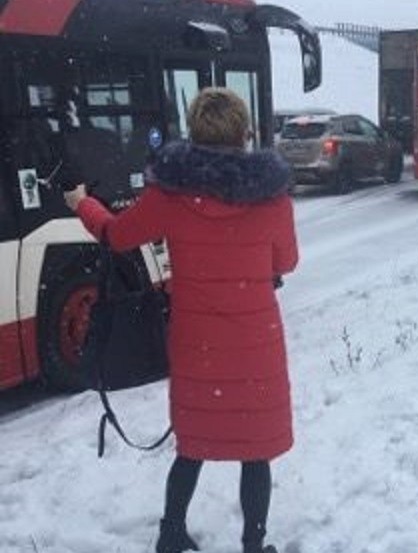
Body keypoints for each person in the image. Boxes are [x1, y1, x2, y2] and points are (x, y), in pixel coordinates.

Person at [64, 87, 299, 553]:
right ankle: (254, 545)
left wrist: (82, 204)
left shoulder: (170, 196)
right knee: (255, 450)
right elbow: (286, 262)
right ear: (245, 133)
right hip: (255, 344)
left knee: (193, 443)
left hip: (198, 346)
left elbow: (117, 234)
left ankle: (171, 532)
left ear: (193, 133)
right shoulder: (272, 200)